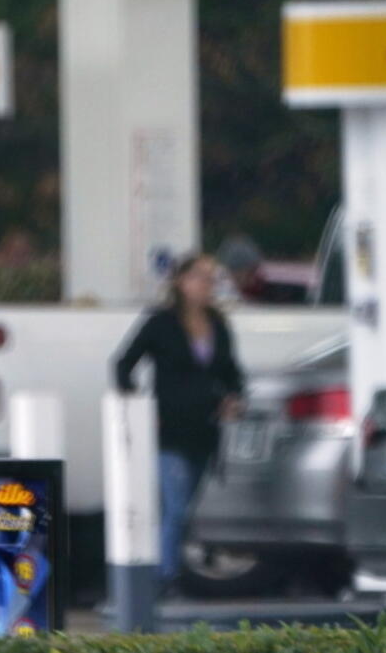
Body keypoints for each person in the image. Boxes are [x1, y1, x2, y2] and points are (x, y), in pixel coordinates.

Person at [113, 253, 243, 597]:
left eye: (211, 279)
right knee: (176, 502)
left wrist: (234, 396)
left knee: (188, 506)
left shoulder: (217, 322)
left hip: (204, 427)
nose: (207, 285)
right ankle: (165, 577)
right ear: (181, 282)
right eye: (200, 277)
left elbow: (230, 370)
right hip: (168, 428)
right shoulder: (161, 322)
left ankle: (173, 571)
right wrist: (137, 405)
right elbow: (124, 363)